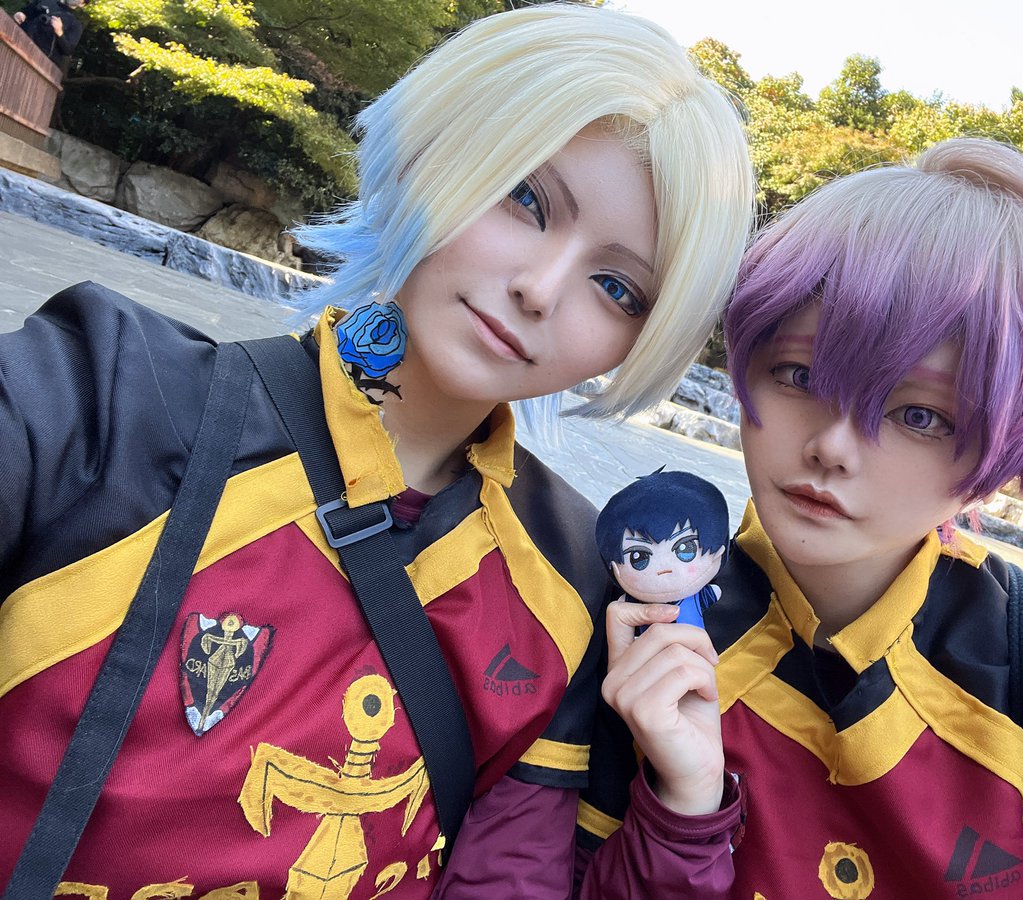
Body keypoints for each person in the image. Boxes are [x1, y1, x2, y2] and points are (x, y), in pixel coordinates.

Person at [0, 4, 755, 897]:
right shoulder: (102, 394)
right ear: (437, 150)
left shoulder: (574, 586)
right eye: (525, 197)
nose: (541, 288)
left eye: (617, 287)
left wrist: (686, 805)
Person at [579, 138, 1023, 897]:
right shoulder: (638, 616)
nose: (833, 446)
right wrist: (684, 809)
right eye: (799, 374)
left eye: (920, 415)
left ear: (1009, 448)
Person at [596, 469, 730, 631]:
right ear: (615, 568)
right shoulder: (628, 607)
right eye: (639, 557)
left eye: (685, 549)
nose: (665, 568)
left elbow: (713, 594)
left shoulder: (703, 596)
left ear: (718, 552)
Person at [12, 0, 83, 68]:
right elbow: (23, 12)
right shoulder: (45, 1)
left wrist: (59, 32)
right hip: (17, 44)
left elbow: (68, 50)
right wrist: (19, 14)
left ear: (82, 4)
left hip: (39, 63)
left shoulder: (75, 24)